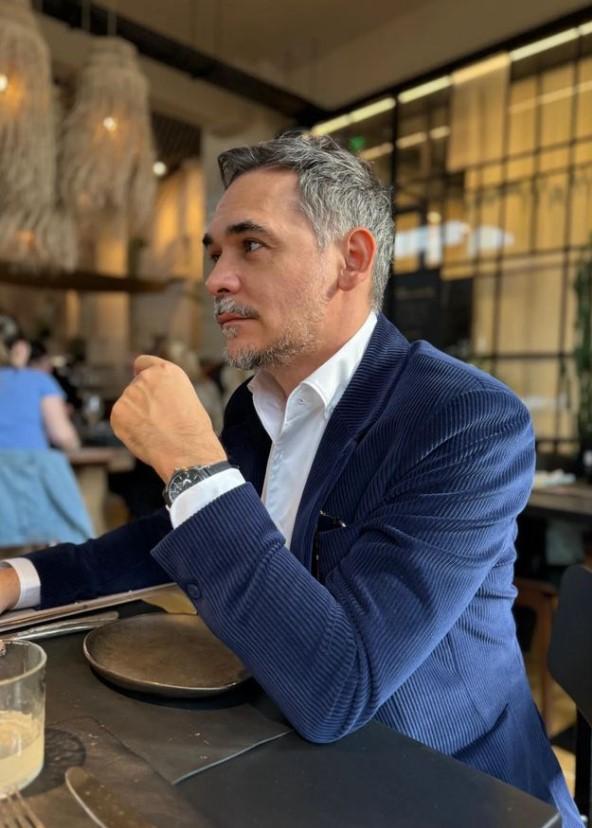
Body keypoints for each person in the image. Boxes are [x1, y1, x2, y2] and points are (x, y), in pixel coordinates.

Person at [0, 135, 581, 825]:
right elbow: (174, 534)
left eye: (251, 246)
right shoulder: (256, 405)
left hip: (452, 787)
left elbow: (339, 685)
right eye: (215, 253)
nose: (216, 280)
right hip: (285, 749)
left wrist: (191, 460)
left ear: (351, 260)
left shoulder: (464, 420)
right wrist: (21, 580)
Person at [0, 314, 80, 452]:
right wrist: (75, 445)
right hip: (30, 462)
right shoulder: (39, 381)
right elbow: (62, 436)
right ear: (22, 348)